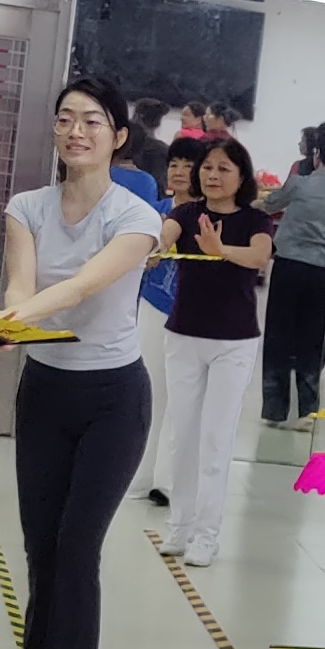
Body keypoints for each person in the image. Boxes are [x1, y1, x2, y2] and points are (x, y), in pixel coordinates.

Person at [0, 73, 162, 649]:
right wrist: (7, 319)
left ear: (118, 136)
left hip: (113, 400)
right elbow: (21, 284)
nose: (76, 131)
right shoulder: (26, 206)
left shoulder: (134, 217)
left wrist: (13, 320)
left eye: (91, 120)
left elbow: (85, 285)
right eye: (65, 118)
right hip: (45, 394)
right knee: (41, 544)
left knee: (77, 544)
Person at [159, 135, 272, 567]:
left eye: (224, 168)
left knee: (216, 437)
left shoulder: (256, 220)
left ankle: (207, 535)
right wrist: (153, 249)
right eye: (207, 167)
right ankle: (180, 525)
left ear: (241, 177)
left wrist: (220, 250)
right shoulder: (186, 214)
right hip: (184, 336)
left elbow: (259, 256)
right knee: (182, 434)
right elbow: (164, 236)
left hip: (234, 342)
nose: (212, 175)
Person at [261, 121, 325, 424]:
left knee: (279, 334)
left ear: (316, 153)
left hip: (288, 265)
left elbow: (269, 205)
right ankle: (307, 410)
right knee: (311, 339)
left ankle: (275, 410)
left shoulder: (299, 184)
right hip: (320, 272)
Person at [134, 140, 200, 508]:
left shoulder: (208, 218)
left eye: (187, 165)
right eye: (174, 164)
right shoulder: (154, 212)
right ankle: (139, 475)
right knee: (148, 389)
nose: (178, 171)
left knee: (182, 396)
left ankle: (169, 481)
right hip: (153, 305)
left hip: (192, 315)